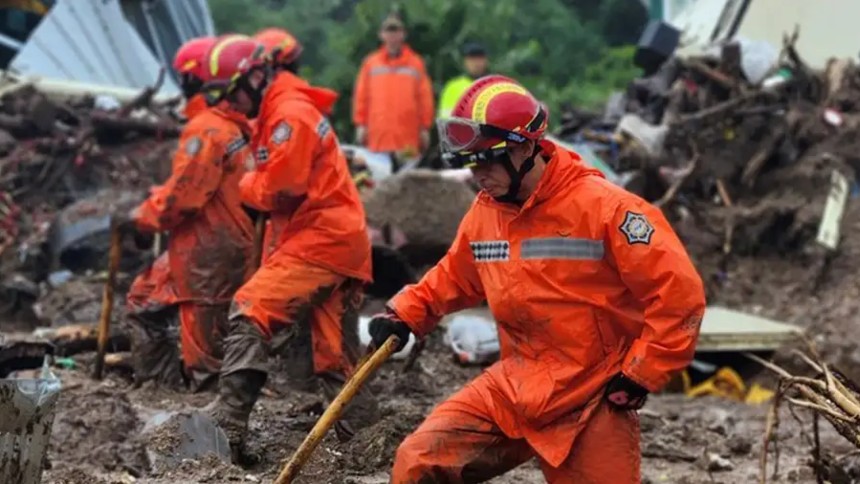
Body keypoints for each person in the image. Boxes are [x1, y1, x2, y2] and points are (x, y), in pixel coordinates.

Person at [368, 75, 707, 483]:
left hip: (593, 395)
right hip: (515, 385)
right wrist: (407, 312)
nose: (479, 174)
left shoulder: (607, 209)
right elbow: (455, 275)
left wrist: (641, 373)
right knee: (418, 462)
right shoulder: (487, 212)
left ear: (527, 147)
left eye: (489, 159)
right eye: (472, 163)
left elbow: (678, 295)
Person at [200, 35, 378, 461]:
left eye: (232, 94)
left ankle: (228, 429)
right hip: (336, 240)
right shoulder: (281, 111)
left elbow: (283, 186)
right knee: (334, 355)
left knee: (250, 308)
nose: (231, 106)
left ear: (255, 77)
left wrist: (246, 184)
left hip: (321, 240)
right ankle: (370, 441)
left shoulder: (289, 116)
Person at [126, 35, 255, 392]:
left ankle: (189, 401)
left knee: (207, 354)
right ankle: (159, 391)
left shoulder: (207, 129)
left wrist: (140, 218)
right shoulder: (233, 127)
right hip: (221, 243)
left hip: (207, 253)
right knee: (144, 299)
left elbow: (182, 199)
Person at [352, 10, 433, 155]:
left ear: (403, 34)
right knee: (379, 176)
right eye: (389, 30)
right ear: (381, 34)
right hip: (378, 138)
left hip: (408, 138)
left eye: (396, 30)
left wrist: (425, 127)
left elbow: (424, 98)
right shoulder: (370, 63)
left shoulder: (416, 63)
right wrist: (360, 124)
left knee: (407, 176)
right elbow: (361, 96)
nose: (392, 35)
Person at [437, 41, 490, 118]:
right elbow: (445, 118)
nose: (476, 63)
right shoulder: (453, 88)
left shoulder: (494, 86)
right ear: (465, 62)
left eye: (480, 58)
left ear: (486, 61)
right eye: (472, 59)